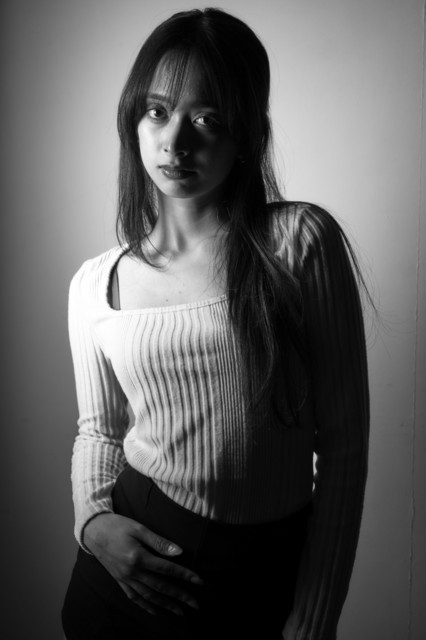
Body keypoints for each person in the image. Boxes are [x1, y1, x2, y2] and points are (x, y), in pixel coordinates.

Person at [61, 7, 370, 640]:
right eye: (157, 111)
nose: (175, 142)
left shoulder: (298, 243)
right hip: (128, 578)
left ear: (247, 133)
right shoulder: (96, 283)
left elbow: (344, 445)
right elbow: (99, 430)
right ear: (132, 121)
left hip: (261, 576)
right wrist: (92, 522)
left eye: (207, 118)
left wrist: (314, 620)